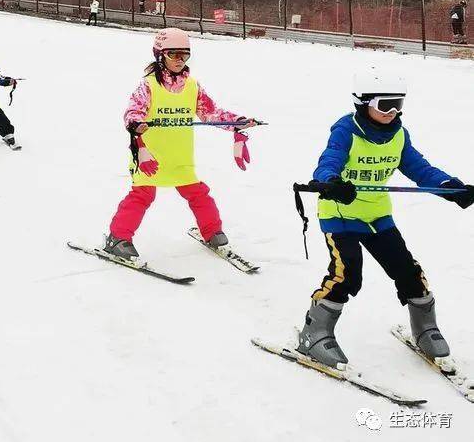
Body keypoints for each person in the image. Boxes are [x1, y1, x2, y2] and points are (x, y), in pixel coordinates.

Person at [296, 70, 474, 368]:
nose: (393, 112)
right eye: (385, 105)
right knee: (348, 273)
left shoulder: (398, 135)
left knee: (406, 269)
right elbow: (329, 160)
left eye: (398, 104)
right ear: (363, 103)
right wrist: (330, 181)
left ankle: (424, 328)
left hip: (378, 215)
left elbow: (420, 169)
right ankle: (314, 332)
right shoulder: (346, 131)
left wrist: (449, 187)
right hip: (340, 214)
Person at [104, 27, 258, 259]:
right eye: (173, 54)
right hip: (150, 158)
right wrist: (136, 123)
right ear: (160, 55)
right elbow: (132, 111)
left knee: (199, 194)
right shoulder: (148, 85)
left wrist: (237, 122)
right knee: (142, 196)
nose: (179, 60)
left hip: (180, 158)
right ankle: (118, 237)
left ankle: (212, 232)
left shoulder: (192, 86)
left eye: (184, 55)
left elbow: (211, 113)